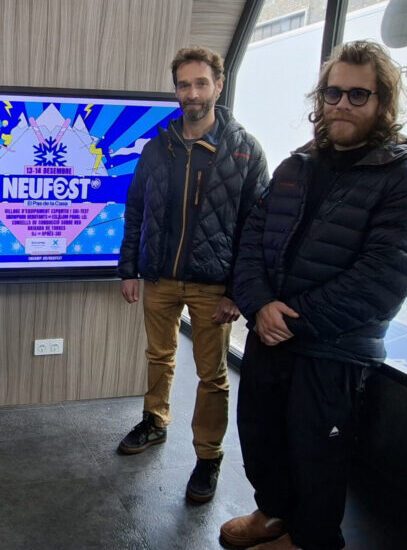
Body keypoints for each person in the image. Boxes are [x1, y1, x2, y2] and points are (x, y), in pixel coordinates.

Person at [220, 40, 407, 550]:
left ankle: (311, 539)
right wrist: (259, 305)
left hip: (333, 349)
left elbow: (381, 279)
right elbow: (251, 240)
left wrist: (287, 319)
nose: (341, 104)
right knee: (260, 434)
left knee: (316, 452)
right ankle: (274, 513)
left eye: (358, 94)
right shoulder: (296, 166)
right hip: (270, 335)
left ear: (384, 102)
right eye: (332, 93)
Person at [116, 46, 269, 503]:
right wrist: (129, 269)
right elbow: (135, 210)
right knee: (158, 356)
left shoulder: (245, 150)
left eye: (201, 83)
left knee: (212, 375)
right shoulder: (157, 147)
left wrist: (238, 292)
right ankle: (155, 422)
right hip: (159, 277)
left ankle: (208, 456)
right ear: (176, 90)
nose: (192, 93)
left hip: (214, 286)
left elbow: (256, 229)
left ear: (218, 86)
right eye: (184, 85)